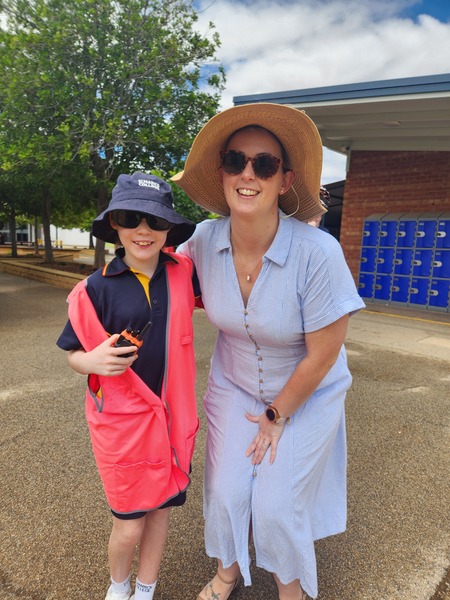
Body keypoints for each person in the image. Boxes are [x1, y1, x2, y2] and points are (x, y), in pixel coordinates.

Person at [171, 103, 365, 600]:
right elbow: (151, 277)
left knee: (279, 504)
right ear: (222, 175)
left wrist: (277, 414)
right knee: (226, 491)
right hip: (233, 384)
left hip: (306, 390)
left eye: (265, 163)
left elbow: (322, 355)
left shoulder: (316, 254)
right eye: (236, 161)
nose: (248, 174)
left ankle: (290, 590)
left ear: (285, 180)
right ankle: (226, 573)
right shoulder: (200, 241)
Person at [57, 172, 200, 600]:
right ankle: (118, 587)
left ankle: (146, 588)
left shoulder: (182, 272)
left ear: (169, 229)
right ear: (114, 224)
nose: (144, 230)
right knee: (129, 522)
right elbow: (72, 352)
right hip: (122, 425)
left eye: (156, 221)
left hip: (172, 419)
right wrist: (90, 360)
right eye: (131, 217)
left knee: (159, 514)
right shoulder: (95, 289)